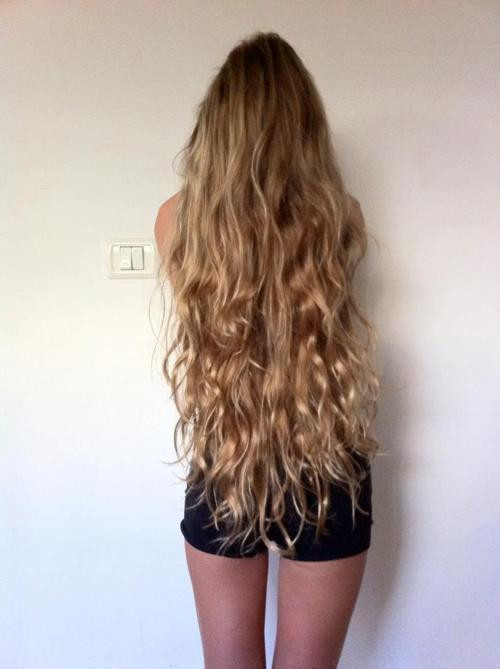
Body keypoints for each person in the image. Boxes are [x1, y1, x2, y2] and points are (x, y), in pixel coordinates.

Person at [154, 30, 380, 669]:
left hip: (227, 454)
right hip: (325, 456)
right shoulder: (342, 215)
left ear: (217, 124)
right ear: (305, 123)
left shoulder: (175, 219)